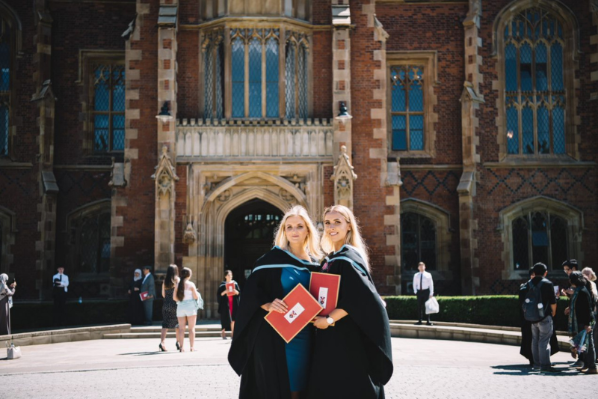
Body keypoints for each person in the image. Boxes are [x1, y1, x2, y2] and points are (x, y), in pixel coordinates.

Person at [229, 205, 322, 399]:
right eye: (289, 227)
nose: (294, 231)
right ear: (283, 231)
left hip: (308, 332)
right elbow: (251, 292)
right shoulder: (271, 260)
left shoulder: (319, 262)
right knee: (278, 384)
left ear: (308, 230)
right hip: (277, 333)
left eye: (299, 226)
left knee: (303, 384)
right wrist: (267, 304)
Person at [307, 205, 393, 399]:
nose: (331, 227)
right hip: (331, 335)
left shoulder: (348, 258)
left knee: (347, 383)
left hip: (346, 335)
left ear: (349, 226)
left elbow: (358, 298)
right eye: (328, 223)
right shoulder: (331, 259)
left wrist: (328, 320)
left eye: (337, 222)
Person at [518, 263, 558, 373]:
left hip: (532, 318)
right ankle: (545, 365)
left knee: (535, 340)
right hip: (544, 316)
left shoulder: (528, 284)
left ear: (534, 273)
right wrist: (553, 313)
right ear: (545, 272)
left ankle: (536, 364)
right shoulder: (547, 284)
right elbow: (553, 302)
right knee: (544, 341)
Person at [568, 271, 597, 374]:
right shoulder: (578, 291)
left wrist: (588, 324)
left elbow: (587, 309)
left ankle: (592, 367)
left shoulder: (582, 292)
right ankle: (586, 364)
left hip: (585, 322)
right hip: (580, 321)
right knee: (583, 345)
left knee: (588, 345)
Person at [174, 267, 201, 352]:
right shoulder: (191, 284)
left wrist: (182, 301)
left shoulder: (178, 284)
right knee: (191, 328)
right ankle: (192, 347)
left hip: (180, 307)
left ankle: (181, 347)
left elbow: (174, 298)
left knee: (181, 329)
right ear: (189, 275)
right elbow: (196, 297)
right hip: (190, 307)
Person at [159, 264, 180, 352]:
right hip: (175, 304)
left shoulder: (164, 281)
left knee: (165, 325)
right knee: (178, 324)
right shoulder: (177, 280)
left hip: (166, 304)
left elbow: (163, 295)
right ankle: (178, 342)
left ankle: (162, 342)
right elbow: (179, 292)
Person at [581, 267, 598, 363]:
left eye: (589, 273)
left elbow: (595, 297)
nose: (587, 275)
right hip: (590, 312)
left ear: (592, 275)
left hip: (593, 312)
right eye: (585, 273)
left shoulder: (592, 284)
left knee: (593, 335)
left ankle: (591, 360)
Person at [218, 269, 240, 339]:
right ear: (225, 276)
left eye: (231, 275)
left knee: (233, 318)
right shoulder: (222, 285)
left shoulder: (235, 284)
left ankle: (233, 334)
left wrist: (236, 291)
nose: (230, 276)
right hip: (225, 303)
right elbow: (220, 295)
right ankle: (223, 334)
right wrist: (225, 291)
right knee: (224, 318)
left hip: (233, 303)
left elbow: (239, 293)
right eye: (228, 275)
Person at [413, 261, 434, 326]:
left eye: (422, 266)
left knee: (427, 306)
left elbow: (431, 284)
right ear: (418, 268)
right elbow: (414, 283)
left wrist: (431, 293)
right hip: (419, 291)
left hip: (426, 291)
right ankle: (420, 320)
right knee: (419, 306)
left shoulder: (428, 274)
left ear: (425, 267)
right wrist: (415, 291)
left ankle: (428, 321)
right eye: (420, 266)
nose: (421, 267)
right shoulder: (416, 275)